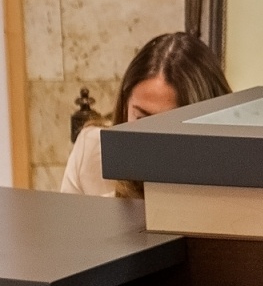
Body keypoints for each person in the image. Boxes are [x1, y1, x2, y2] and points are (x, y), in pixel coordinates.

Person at [61, 32, 231, 198]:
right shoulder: (92, 152)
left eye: (171, 125)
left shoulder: (232, 177)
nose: (154, 140)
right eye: (142, 119)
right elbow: (68, 224)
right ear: (125, 107)